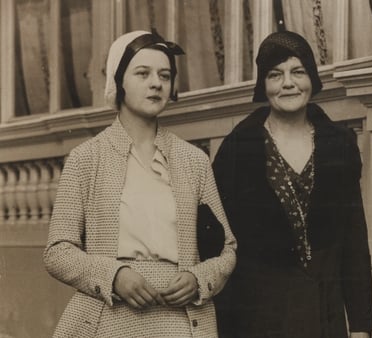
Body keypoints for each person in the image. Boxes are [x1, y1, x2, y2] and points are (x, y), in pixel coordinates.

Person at [44, 30, 236, 337]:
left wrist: (198, 279)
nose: (156, 83)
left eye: (165, 75)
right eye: (142, 73)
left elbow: (227, 250)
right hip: (109, 318)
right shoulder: (85, 159)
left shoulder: (193, 161)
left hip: (180, 320)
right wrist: (114, 276)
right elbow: (57, 252)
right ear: (119, 81)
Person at [212, 30, 372, 338]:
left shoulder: (338, 145)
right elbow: (218, 244)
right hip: (258, 315)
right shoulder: (237, 149)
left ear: (312, 78)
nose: (288, 83)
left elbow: (354, 238)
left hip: (323, 311)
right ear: (264, 85)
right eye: (276, 74)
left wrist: (362, 325)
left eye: (298, 72)